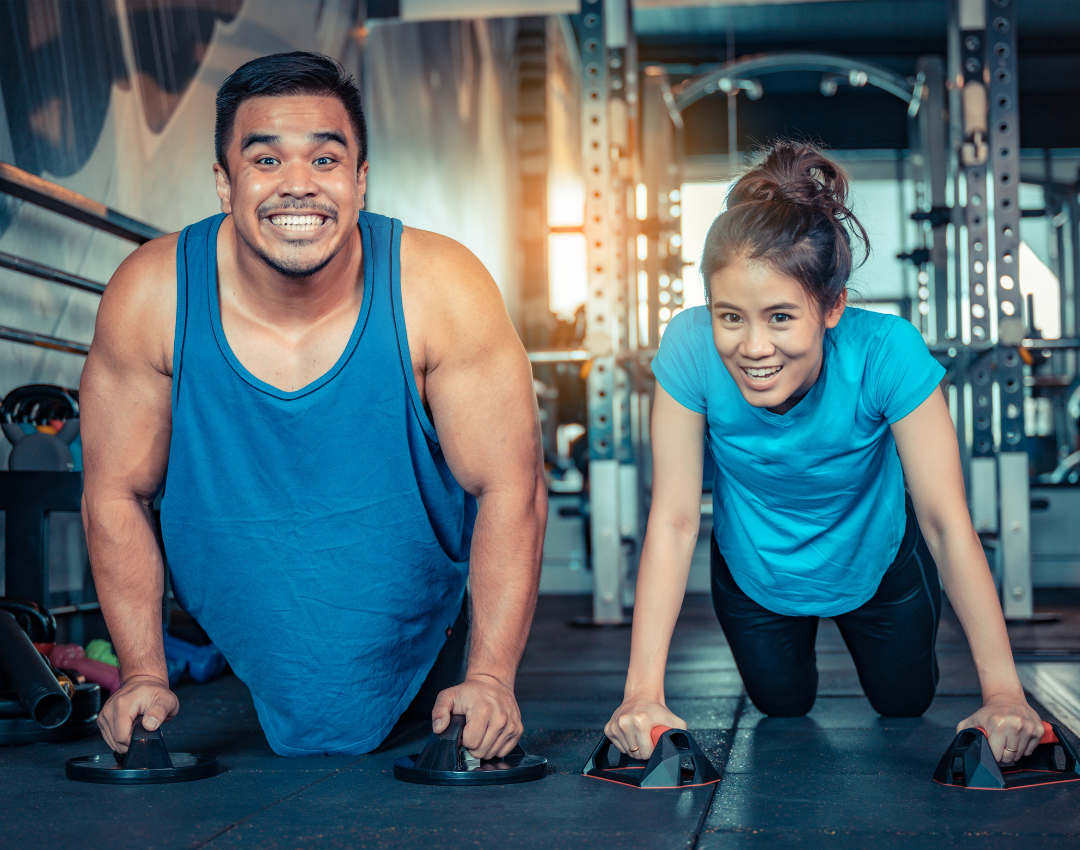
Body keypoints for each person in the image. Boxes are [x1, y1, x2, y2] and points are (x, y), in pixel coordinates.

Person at [80, 52, 545, 757]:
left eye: (326, 161)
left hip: (418, 633)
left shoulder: (440, 287)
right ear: (222, 180)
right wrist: (143, 672)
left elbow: (511, 486)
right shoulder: (151, 294)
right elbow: (115, 490)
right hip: (235, 635)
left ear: (360, 180)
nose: (298, 186)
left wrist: (490, 677)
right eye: (265, 161)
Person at [604, 142, 1044, 765]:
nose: (753, 347)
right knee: (781, 705)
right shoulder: (689, 348)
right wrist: (640, 695)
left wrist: (1005, 692)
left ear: (833, 306)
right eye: (731, 316)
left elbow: (946, 522)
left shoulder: (887, 350)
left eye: (781, 316)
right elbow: (674, 519)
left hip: (878, 562)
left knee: (905, 703)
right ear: (709, 308)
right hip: (756, 569)